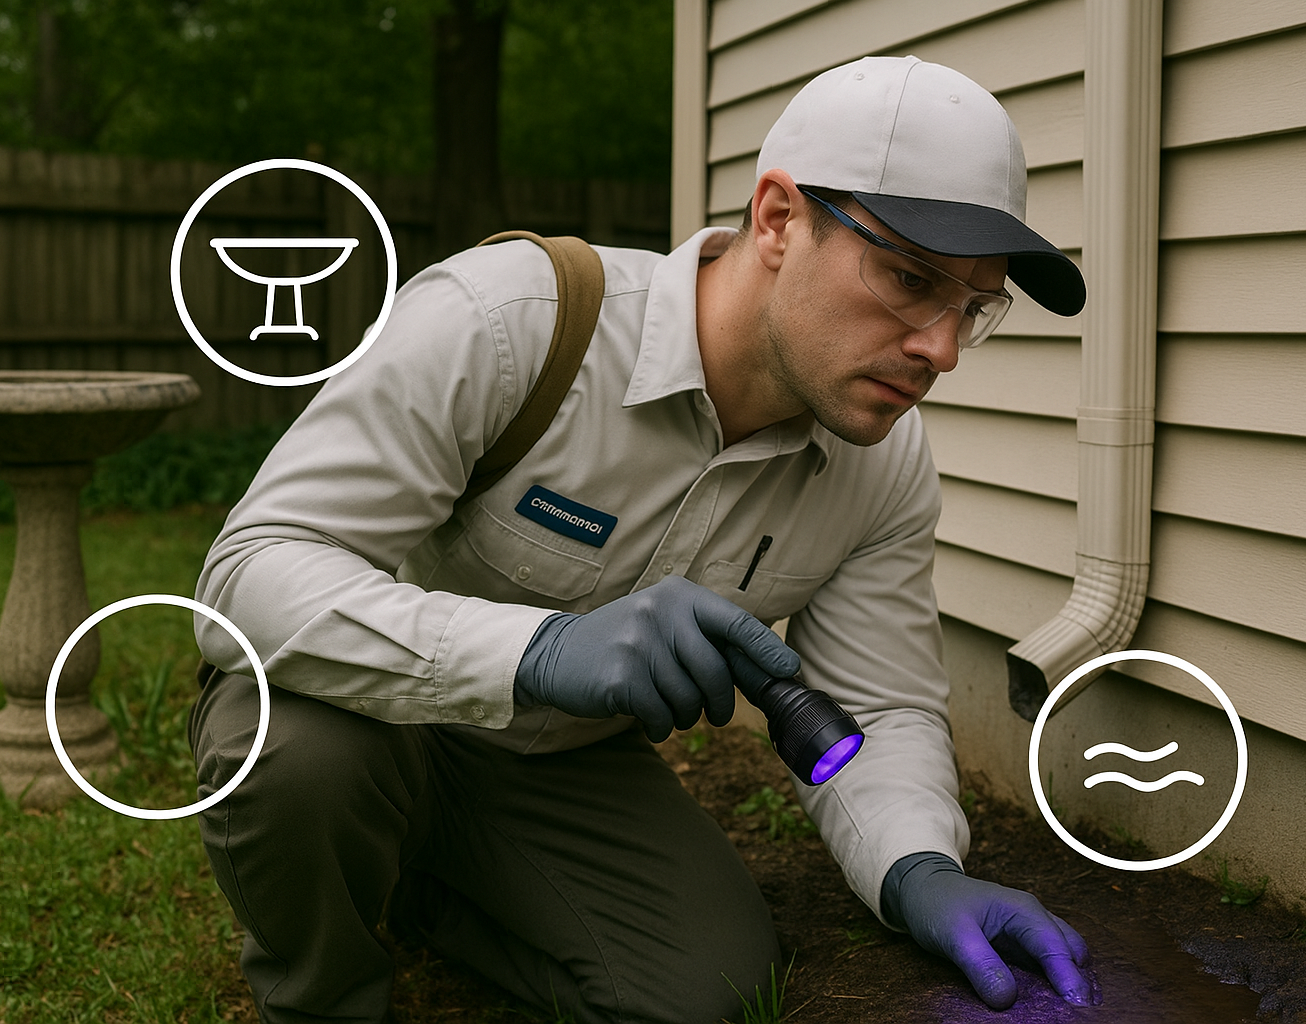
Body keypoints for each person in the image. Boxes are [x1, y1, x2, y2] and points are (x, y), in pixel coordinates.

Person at [187, 55, 1096, 1024]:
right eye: (911, 278)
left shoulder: (883, 464)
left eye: (971, 306)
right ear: (779, 219)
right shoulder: (514, 322)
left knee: (710, 990)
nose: (942, 348)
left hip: (551, 766)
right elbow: (250, 570)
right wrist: (536, 650)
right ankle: (325, 991)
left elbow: (878, 701)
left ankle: (419, 883)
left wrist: (918, 865)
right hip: (369, 712)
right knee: (295, 754)